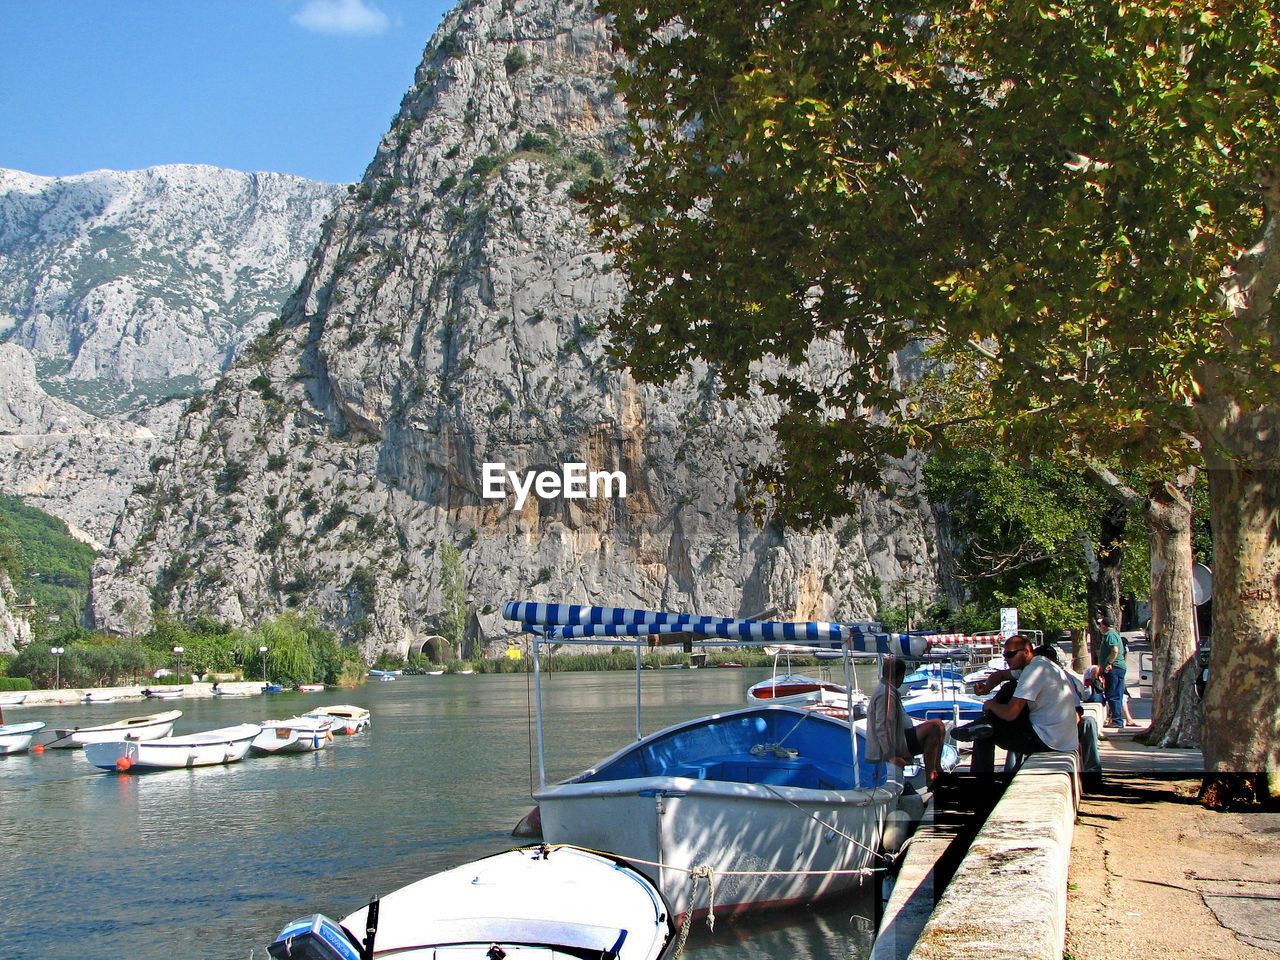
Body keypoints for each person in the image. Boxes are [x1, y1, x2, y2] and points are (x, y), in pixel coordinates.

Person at [952, 634, 1081, 775]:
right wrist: (986, 688)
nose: (1006, 658)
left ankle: (982, 788)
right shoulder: (1041, 664)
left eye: (1010, 654)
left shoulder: (1033, 671)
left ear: (1026, 652)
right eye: (1004, 654)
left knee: (982, 734)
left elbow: (1010, 713)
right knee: (1009, 687)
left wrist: (990, 705)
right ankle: (985, 723)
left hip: (1049, 742)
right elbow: (1000, 675)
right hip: (1062, 740)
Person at [866, 657, 947, 783]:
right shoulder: (885, 694)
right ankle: (931, 778)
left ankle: (936, 769)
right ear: (899, 676)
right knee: (934, 727)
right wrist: (891, 756)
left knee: (939, 726)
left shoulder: (888, 690)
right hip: (895, 745)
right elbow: (882, 727)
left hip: (900, 738)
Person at [1098, 616, 1128, 727]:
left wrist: (1109, 663)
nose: (1100, 627)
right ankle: (1116, 719)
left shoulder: (1110, 635)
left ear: (1104, 626)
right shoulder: (1114, 635)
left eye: (1100, 625)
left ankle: (1117, 721)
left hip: (1114, 669)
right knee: (1117, 694)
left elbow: (1115, 650)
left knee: (1113, 694)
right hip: (1118, 668)